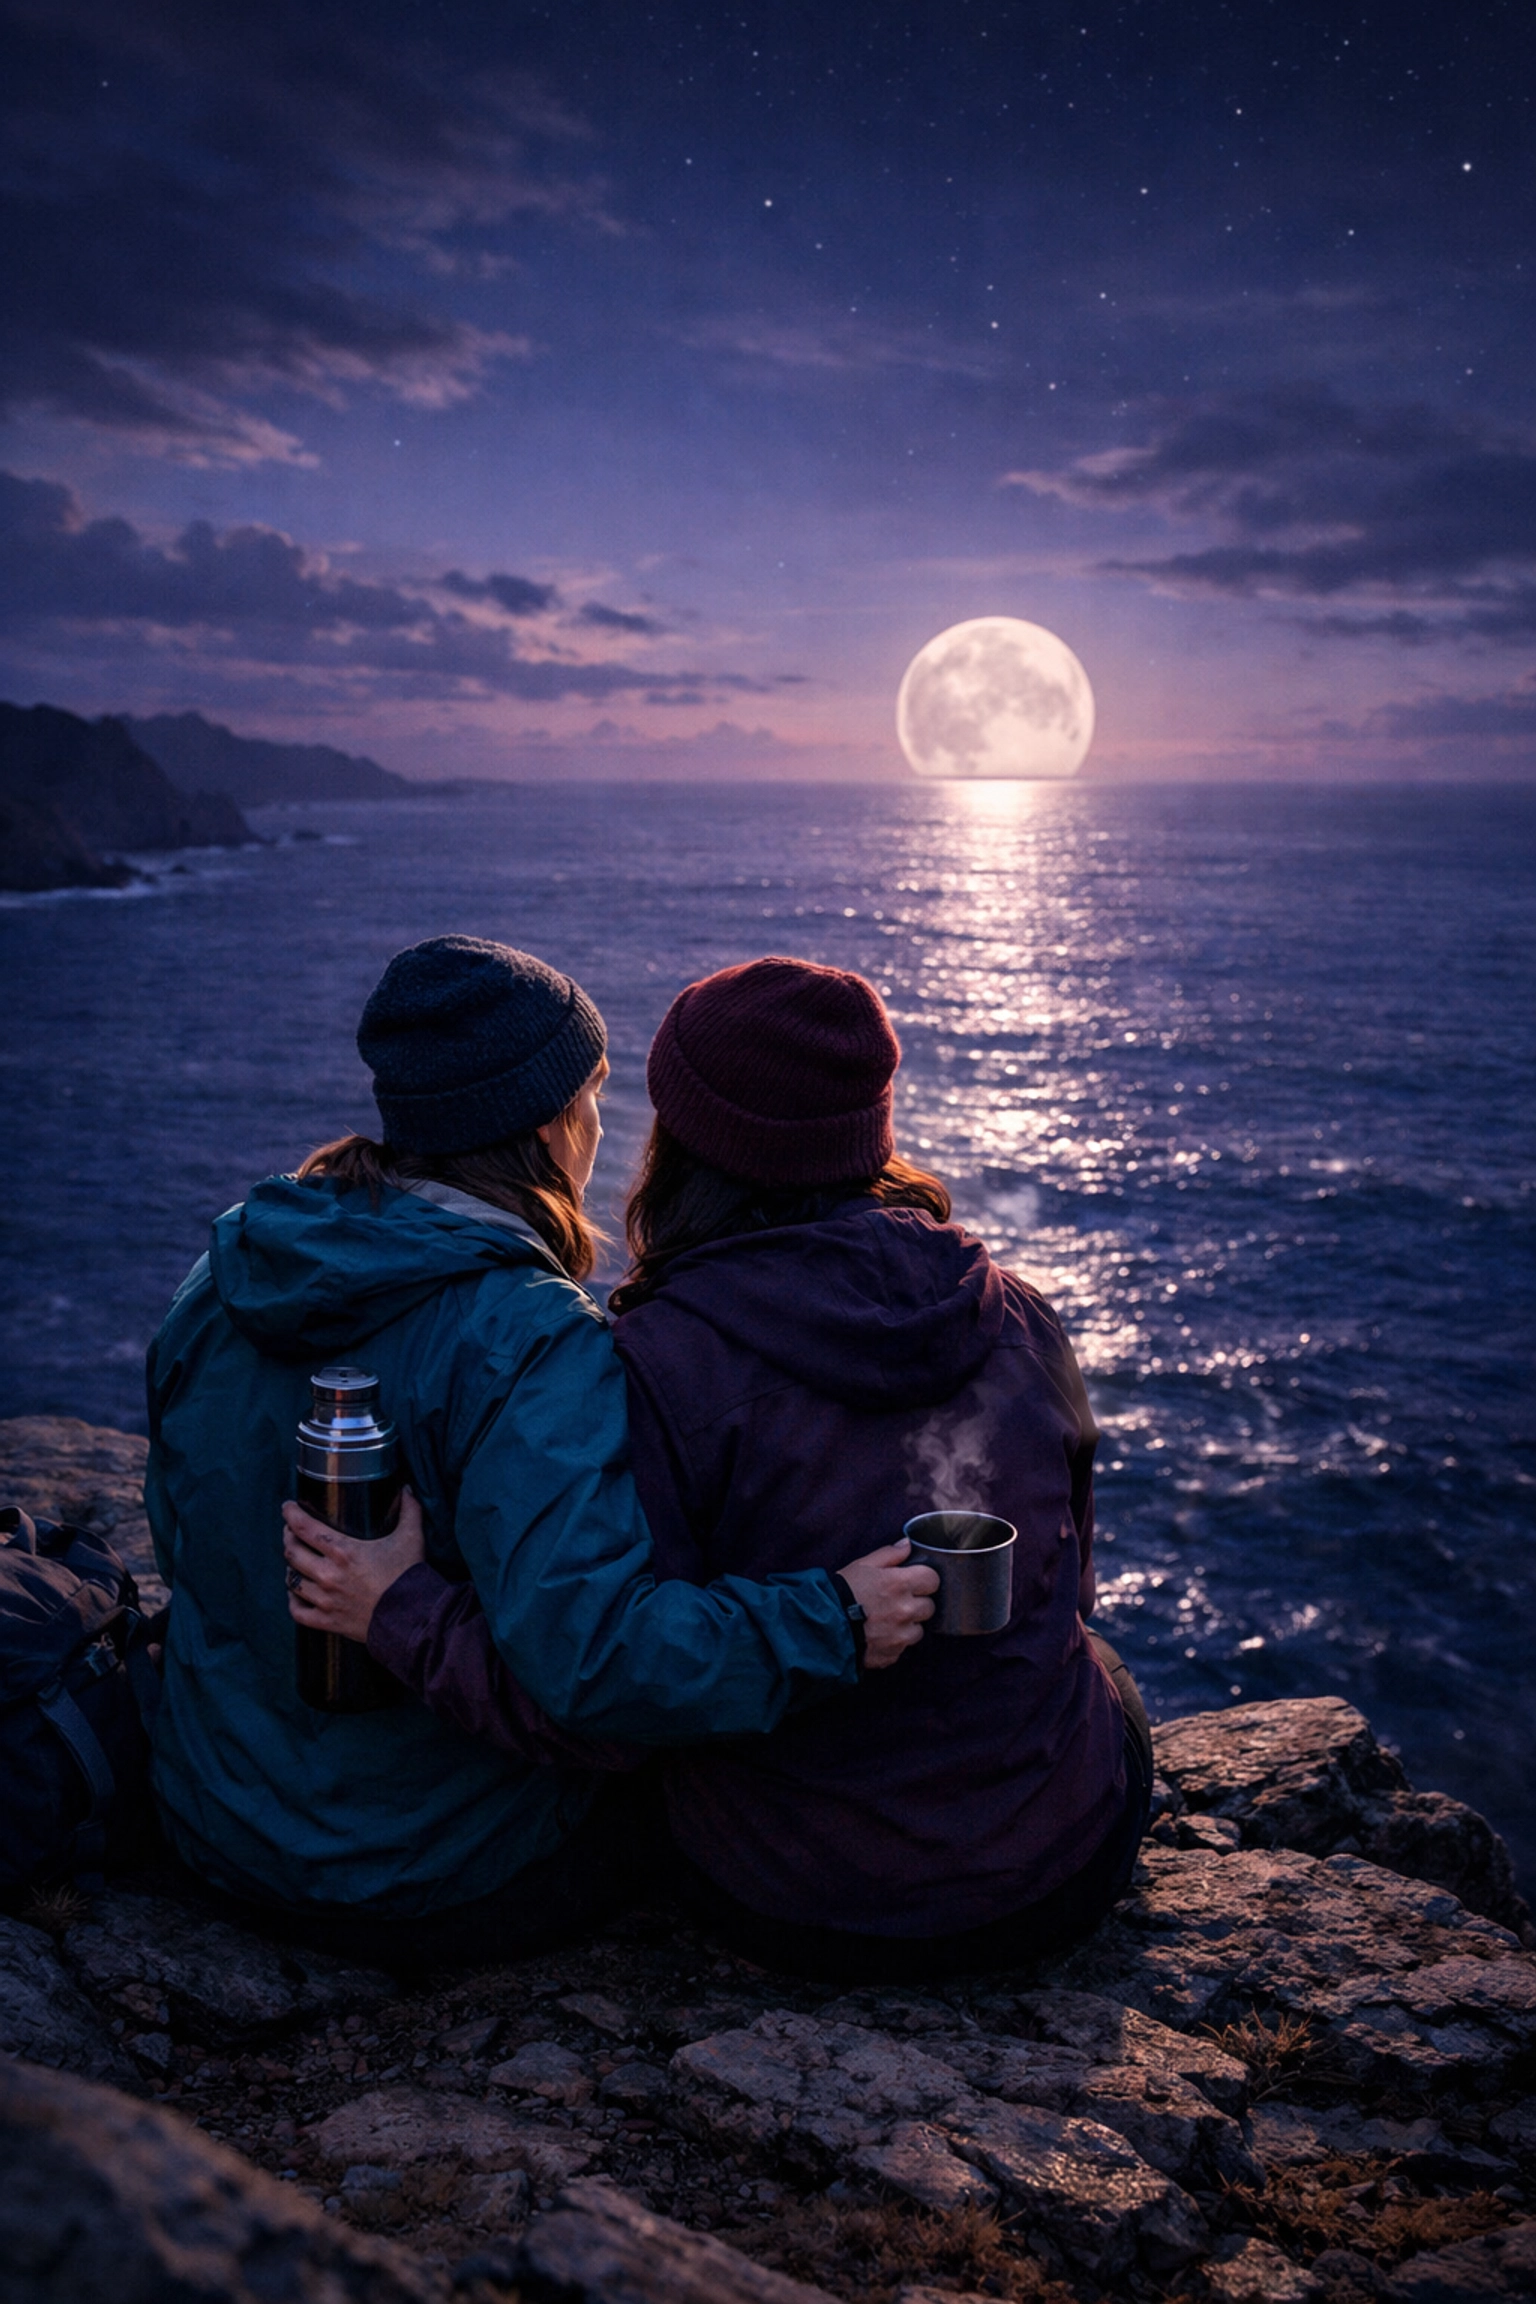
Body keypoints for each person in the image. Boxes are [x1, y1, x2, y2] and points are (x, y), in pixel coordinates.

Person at [284, 955, 1152, 1981]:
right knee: (1107, 1681)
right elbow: (1072, 1585)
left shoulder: (648, 1365)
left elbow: (598, 1703)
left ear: (683, 1140)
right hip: (1057, 1869)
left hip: (795, 1896)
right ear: (869, 1127)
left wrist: (402, 1608)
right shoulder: (1019, 1312)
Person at [146, 936, 935, 1969]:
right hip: (432, 1869)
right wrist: (826, 1618)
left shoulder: (229, 1264)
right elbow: (600, 1667)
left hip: (211, 1817)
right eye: (595, 1094)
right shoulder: (528, 1337)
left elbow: (183, 1540)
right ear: (551, 1122)